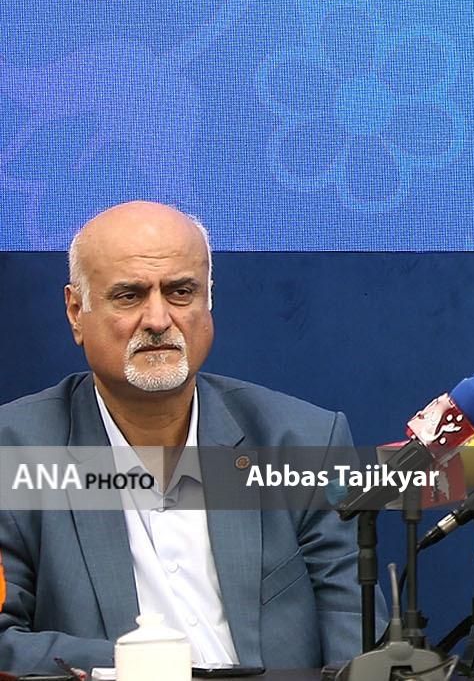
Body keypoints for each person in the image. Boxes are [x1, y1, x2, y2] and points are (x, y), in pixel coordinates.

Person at [0, 201, 365, 673]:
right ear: (76, 312)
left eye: (180, 292)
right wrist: (142, 667)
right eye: (129, 295)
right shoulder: (14, 451)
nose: (158, 320)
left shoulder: (302, 442)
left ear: (207, 302)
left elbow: (356, 641)